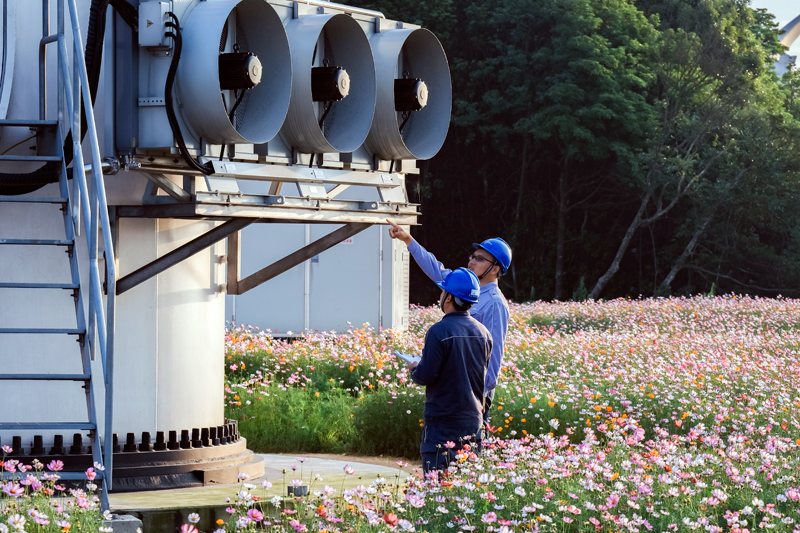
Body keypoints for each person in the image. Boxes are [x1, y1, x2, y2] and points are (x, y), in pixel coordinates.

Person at [386, 220, 511, 432]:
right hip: (452, 387)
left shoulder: (496, 303)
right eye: (472, 256)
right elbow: (436, 269)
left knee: (465, 456)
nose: (472, 262)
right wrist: (408, 239)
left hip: (473, 395)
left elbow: (493, 357)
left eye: (480, 259)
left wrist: (478, 397)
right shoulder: (464, 286)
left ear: (495, 268)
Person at [408, 267, 492, 473]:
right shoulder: (484, 333)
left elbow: (426, 375)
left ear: (448, 298)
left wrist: (414, 369)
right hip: (473, 421)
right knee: (466, 490)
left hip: (442, 422)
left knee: (437, 490)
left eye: (442, 291)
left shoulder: (439, 331)